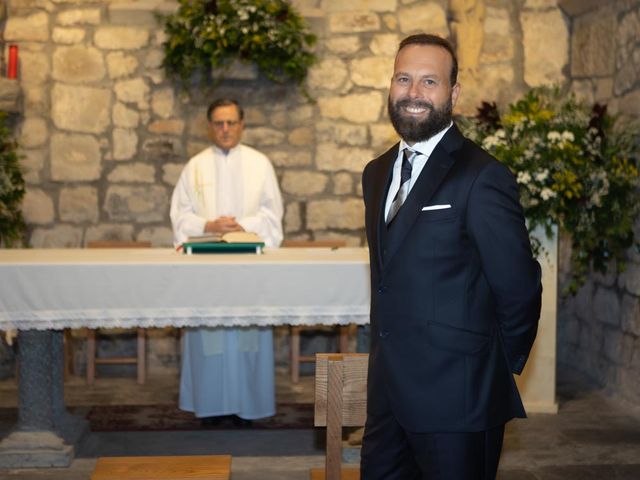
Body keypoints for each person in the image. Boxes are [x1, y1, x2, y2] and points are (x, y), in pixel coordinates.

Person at [360, 33, 542, 479]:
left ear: (453, 94)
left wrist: (488, 373)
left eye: (429, 82)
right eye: (404, 79)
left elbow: (520, 289)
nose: (414, 93)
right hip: (386, 400)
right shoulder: (376, 172)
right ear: (390, 86)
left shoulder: (483, 177)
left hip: (458, 402)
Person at [170, 98, 283, 426]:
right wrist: (208, 226)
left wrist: (241, 225)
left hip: (248, 266)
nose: (225, 129)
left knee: (246, 335)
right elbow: (180, 215)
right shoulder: (195, 166)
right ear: (209, 126)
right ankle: (210, 408)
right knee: (210, 335)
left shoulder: (261, 164)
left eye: (231, 122)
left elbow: (272, 215)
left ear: (242, 124)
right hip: (207, 269)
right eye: (219, 123)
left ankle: (247, 408)